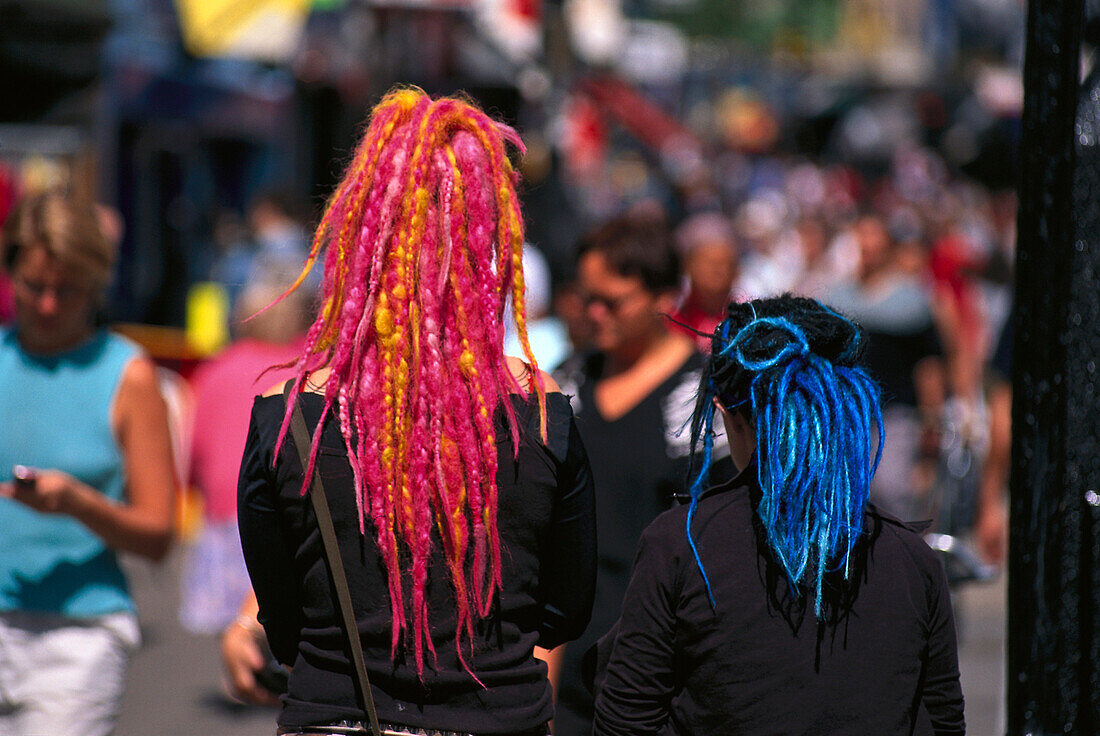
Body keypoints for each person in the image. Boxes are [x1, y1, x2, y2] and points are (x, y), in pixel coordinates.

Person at [237, 89, 596, 736]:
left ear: (358, 237)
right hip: (502, 718)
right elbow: (567, 609)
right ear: (487, 235)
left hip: (338, 715)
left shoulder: (286, 422)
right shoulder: (543, 418)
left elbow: (283, 619)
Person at [591, 295, 965, 736]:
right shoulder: (912, 562)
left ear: (724, 412)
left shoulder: (680, 546)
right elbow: (943, 724)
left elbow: (623, 724)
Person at [0, 190, 176, 736]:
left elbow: (158, 533)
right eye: (34, 286)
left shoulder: (127, 373)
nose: (49, 305)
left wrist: (78, 504)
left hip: (79, 638)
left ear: (96, 285)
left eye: (67, 290)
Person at [551, 213, 728, 736]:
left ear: (664, 297)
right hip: (563, 669)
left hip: (658, 676)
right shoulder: (565, 386)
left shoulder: (703, 403)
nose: (596, 313)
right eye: (588, 298)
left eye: (614, 300)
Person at [180, 267, 312, 635]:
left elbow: (195, 439)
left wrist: (194, 485)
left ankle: (239, 667)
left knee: (233, 619)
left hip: (225, 503)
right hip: (287, 505)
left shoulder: (216, 368)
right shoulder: (305, 367)